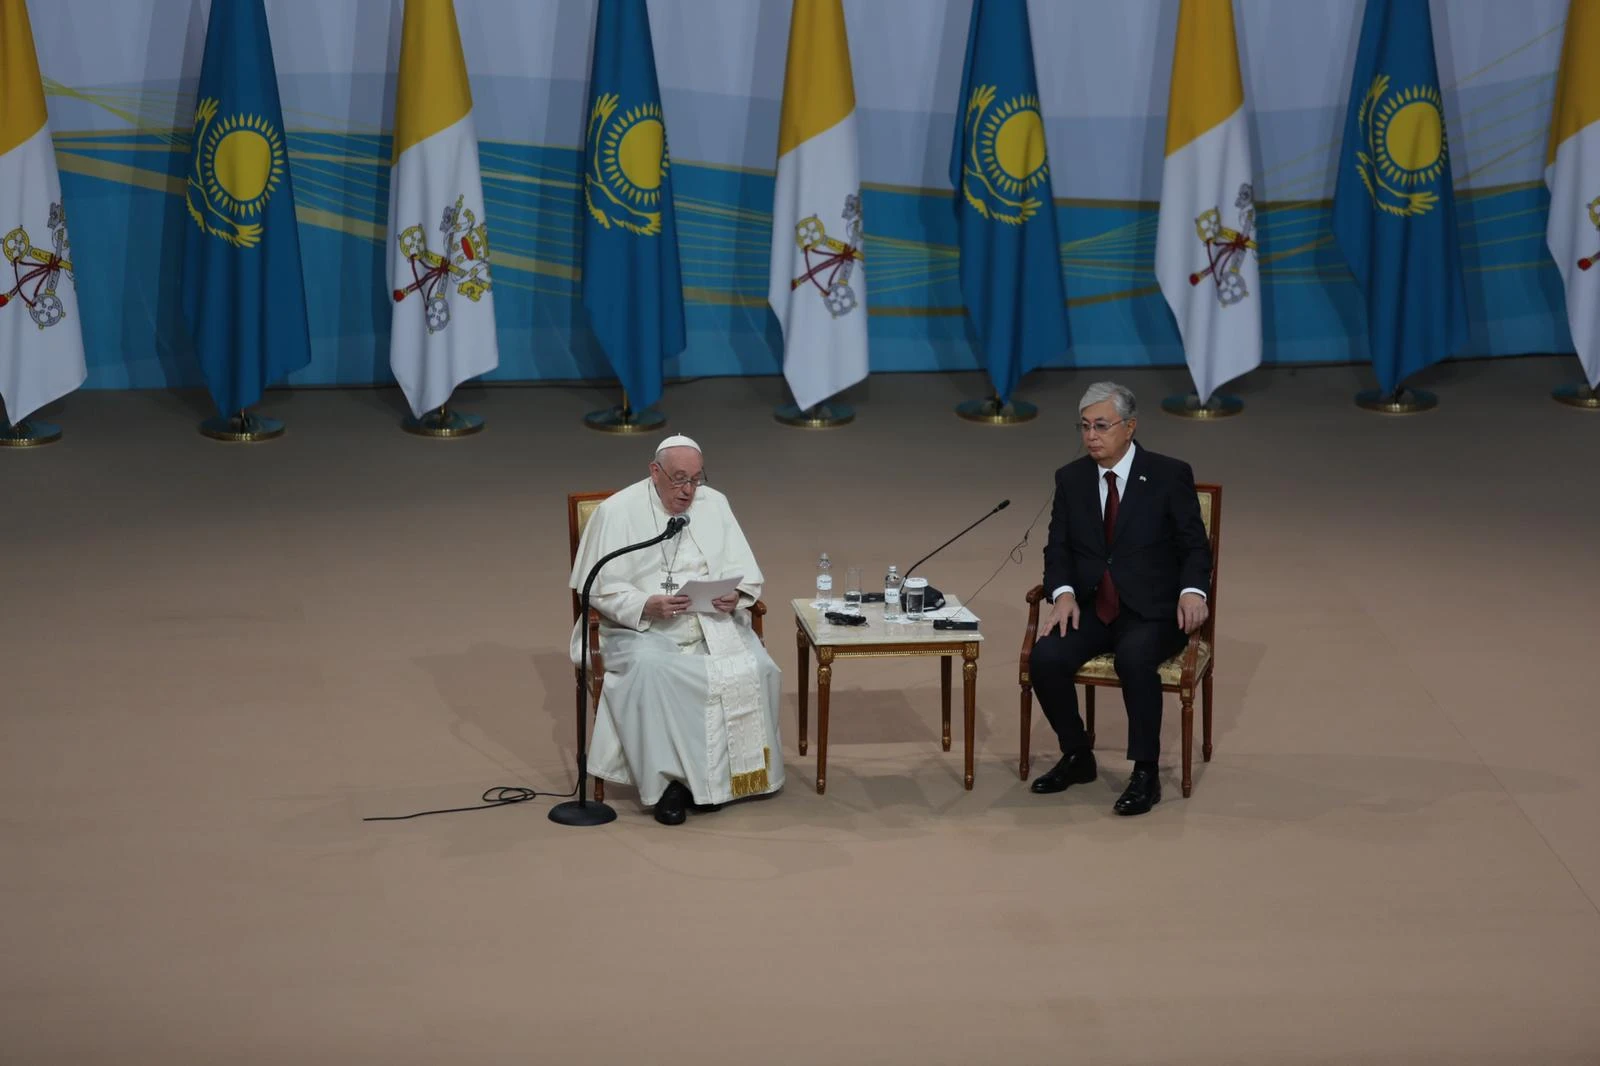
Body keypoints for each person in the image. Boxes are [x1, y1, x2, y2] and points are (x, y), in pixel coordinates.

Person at [568, 434, 784, 825]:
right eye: (679, 479)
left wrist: (734, 595)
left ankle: (713, 782)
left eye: (696, 480)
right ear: (655, 471)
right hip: (637, 629)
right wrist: (645, 604)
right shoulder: (617, 512)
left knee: (756, 666)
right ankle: (668, 785)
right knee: (655, 671)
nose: (688, 491)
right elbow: (597, 586)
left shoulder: (714, 504)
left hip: (709, 622)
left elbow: (744, 572)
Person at [1029, 382, 1211, 815]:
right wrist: (1064, 594)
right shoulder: (1070, 479)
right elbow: (1057, 549)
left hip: (1152, 610)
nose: (1091, 435)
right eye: (1085, 426)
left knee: (1134, 659)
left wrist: (1192, 592)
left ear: (1129, 427)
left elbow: (1195, 547)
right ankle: (1077, 755)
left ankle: (1145, 771)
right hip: (1094, 606)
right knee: (1045, 658)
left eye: (1102, 426)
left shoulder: (1168, 474)